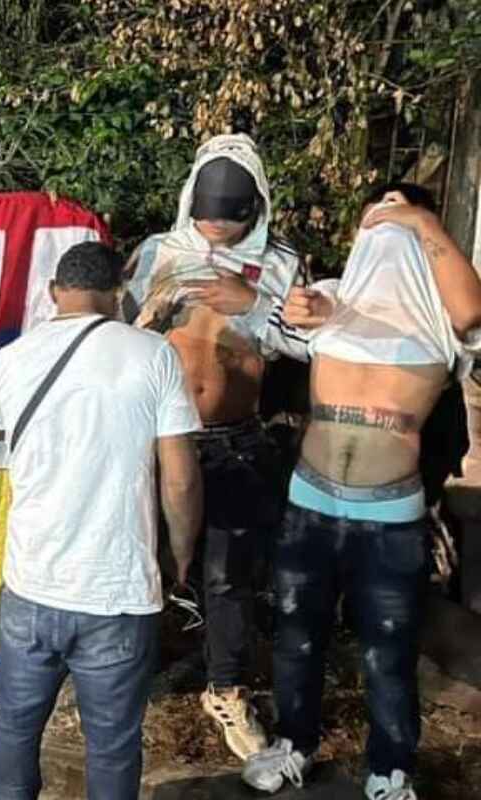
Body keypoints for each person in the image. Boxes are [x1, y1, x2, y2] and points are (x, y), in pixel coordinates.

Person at [0, 242, 204, 800]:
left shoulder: (11, 358)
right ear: (118, 292)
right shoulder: (153, 355)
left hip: (31, 590)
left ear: (54, 292)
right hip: (118, 594)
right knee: (110, 745)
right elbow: (179, 480)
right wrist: (182, 558)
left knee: (14, 728)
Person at [241, 184, 481, 800]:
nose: (389, 220)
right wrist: (306, 309)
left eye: (402, 210)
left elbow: (473, 311)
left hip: (388, 516)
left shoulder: (442, 317)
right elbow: (296, 315)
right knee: (296, 636)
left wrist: (416, 215)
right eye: (379, 211)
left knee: (388, 650)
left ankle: (390, 769)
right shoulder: (336, 297)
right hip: (310, 504)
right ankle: (295, 742)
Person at [122, 133, 308, 760]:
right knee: (141, 559)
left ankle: (226, 689)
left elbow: (304, 345)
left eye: (229, 220)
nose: (216, 230)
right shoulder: (157, 253)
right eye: (206, 218)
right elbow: (113, 337)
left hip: (234, 439)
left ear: (254, 209)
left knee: (228, 577)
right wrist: (151, 314)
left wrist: (253, 304)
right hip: (160, 438)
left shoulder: (281, 263)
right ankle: (126, 674)